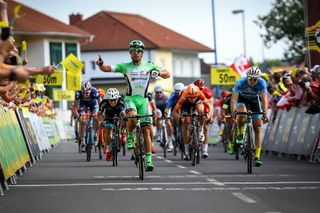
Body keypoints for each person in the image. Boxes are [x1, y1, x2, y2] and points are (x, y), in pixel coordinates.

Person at [96, 40, 170, 171]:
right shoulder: (125, 66)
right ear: (130, 53)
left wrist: (158, 73)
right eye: (133, 51)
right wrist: (101, 65)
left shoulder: (149, 65)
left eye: (139, 51)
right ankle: (129, 135)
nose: (136, 53)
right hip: (130, 99)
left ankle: (148, 160)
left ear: (142, 53)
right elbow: (107, 68)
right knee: (133, 117)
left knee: (147, 129)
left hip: (143, 100)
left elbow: (167, 74)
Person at [230, 66, 268, 167]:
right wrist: (233, 112)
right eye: (250, 78)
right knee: (242, 113)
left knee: (258, 127)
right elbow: (233, 99)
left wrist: (265, 113)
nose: (252, 81)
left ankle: (258, 155)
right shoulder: (240, 82)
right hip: (241, 99)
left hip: (254, 101)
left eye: (255, 79)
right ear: (247, 77)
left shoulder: (262, 83)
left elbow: (264, 100)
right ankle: (239, 132)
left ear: (258, 79)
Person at [172, 84, 213, 160]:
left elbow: (209, 107)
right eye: (190, 97)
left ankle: (200, 130)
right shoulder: (183, 96)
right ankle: (186, 150)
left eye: (194, 97)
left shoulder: (200, 94)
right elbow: (174, 112)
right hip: (186, 104)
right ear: (187, 95)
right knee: (186, 122)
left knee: (201, 111)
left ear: (197, 94)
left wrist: (209, 116)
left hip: (198, 103)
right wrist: (179, 119)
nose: (192, 99)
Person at [98, 88, 125, 161]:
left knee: (124, 117)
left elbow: (125, 111)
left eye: (115, 100)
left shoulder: (121, 101)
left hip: (119, 112)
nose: (113, 102)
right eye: (111, 100)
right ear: (108, 99)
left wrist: (123, 118)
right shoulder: (104, 102)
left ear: (118, 98)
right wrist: (101, 121)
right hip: (109, 115)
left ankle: (123, 133)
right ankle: (108, 146)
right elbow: (99, 114)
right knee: (108, 129)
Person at [73, 81, 100, 152]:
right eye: (83, 92)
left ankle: (96, 134)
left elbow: (100, 104)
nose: (85, 94)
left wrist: (99, 114)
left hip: (93, 104)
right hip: (83, 105)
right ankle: (82, 141)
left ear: (90, 91)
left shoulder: (95, 92)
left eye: (87, 92)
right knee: (82, 120)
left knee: (96, 117)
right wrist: (78, 116)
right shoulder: (78, 94)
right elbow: (75, 107)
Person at [193, 79, 214, 158]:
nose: (199, 90)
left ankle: (205, 149)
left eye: (200, 88)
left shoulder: (207, 92)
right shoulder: (190, 90)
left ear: (204, 87)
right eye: (197, 88)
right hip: (194, 105)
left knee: (206, 126)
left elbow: (211, 106)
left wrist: (210, 116)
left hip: (205, 106)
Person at [153, 84, 174, 151]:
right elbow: (153, 107)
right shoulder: (153, 97)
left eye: (160, 92)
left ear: (163, 92)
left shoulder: (167, 96)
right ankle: (159, 133)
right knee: (158, 117)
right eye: (157, 92)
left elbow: (170, 105)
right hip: (158, 108)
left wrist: (168, 113)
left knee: (168, 122)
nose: (158, 94)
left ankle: (170, 141)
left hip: (166, 108)